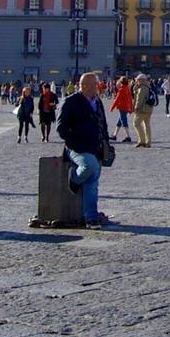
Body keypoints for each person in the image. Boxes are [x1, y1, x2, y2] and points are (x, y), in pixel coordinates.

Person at [58, 72, 114, 225]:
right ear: (81, 85)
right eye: (89, 85)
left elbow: (103, 124)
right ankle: (74, 179)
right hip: (76, 148)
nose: (94, 88)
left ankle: (90, 218)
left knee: (92, 183)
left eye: (95, 85)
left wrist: (106, 143)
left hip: (95, 147)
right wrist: (75, 143)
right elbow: (61, 128)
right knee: (91, 166)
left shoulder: (98, 102)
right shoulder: (71, 101)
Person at [132, 75, 156, 148]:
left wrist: (136, 108)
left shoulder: (142, 88)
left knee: (136, 123)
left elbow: (139, 99)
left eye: (138, 80)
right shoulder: (148, 86)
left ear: (142, 80)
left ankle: (141, 140)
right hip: (149, 109)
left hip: (142, 109)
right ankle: (148, 142)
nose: (136, 81)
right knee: (147, 125)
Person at [110, 77, 135, 143]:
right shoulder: (128, 88)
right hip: (126, 107)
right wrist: (131, 108)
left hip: (122, 107)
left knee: (124, 122)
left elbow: (117, 99)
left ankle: (128, 136)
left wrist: (112, 107)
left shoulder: (121, 89)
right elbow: (130, 99)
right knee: (119, 122)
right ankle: (115, 135)